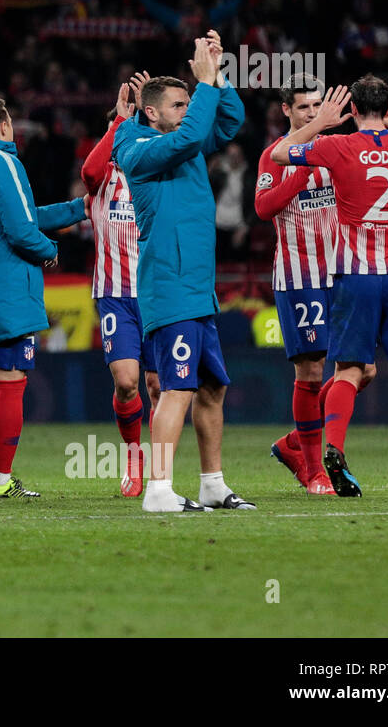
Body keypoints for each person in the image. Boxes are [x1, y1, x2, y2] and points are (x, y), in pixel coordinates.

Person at [272, 76, 388, 496]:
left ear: (353, 111)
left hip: (354, 275)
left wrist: (320, 123)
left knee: (347, 370)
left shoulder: (338, 146)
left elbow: (278, 152)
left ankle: (333, 449)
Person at [112, 32, 254, 513]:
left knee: (212, 387)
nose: (188, 109)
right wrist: (205, 83)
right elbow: (194, 131)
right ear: (152, 112)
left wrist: (218, 72)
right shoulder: (138, 148)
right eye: (180, 103)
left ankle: (213, 484)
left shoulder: (183, 142)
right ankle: (159, 490)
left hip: (197, 288)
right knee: (177, 388)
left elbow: (229, 121)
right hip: (169, 287)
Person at [0, 94, 85, 498]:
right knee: (12, 381)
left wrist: (78, 208)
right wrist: (49, 251)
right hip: (9, 290)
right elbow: (21, 230)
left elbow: (22, 216)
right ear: (3, 126)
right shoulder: (4, 161)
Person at [255, 73, 367, 495]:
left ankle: (294, 443)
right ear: (287, 111)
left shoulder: (336, 150)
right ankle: (315, 471)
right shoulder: (276, 155)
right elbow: (263, 208)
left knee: (364, 369)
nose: (313, 112)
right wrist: (302, 168)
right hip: (299, 275)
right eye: (304, 107)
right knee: (313, 371)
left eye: (318, 105)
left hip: (340, 273)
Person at [80, 77, 161, 498]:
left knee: (159, 387)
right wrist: (120, 119)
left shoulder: (155, 169)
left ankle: (162, 471)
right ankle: (134, 457)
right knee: (127, 382)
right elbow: (88, 169)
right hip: (115, 292)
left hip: (156, 291)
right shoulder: (105, 176)